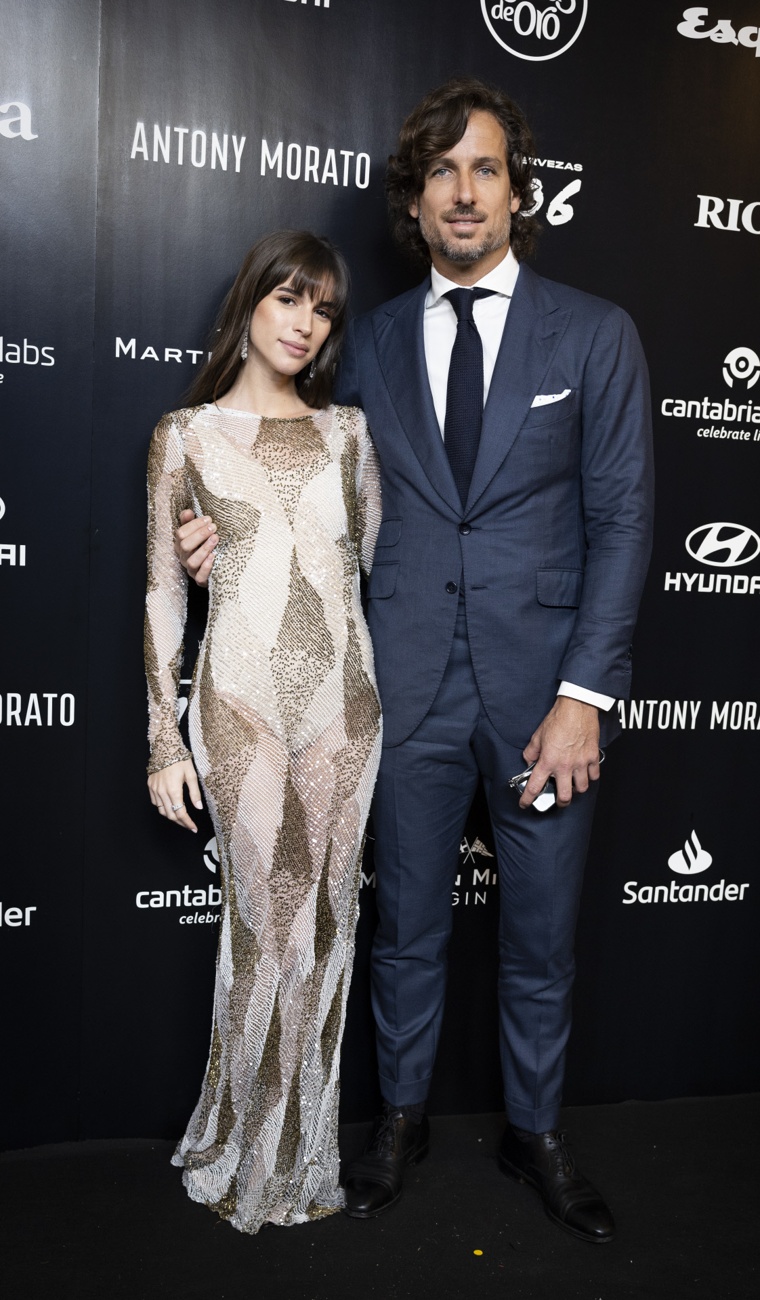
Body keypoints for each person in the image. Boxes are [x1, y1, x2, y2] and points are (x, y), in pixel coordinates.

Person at [176, 78, 653, 1244]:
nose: (463, 191)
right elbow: (298, 469)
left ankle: (535, 1132)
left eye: (484, 168)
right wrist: (217, 538)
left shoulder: (595, 334)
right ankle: (397, 1120)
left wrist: (587, 695)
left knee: (540, 935)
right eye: (441, 171)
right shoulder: (370, 341)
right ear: (415, 197)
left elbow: (627, 517)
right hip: (401, 692)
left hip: (546, 697)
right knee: (407, 929)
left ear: (516, 188)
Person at [145, 230, 382, 1233]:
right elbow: (163, 592)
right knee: (261, 931)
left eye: (323, 309)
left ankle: (307, 1156)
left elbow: (363, 568)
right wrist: (164, 738)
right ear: (251, 301)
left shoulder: (350, 434)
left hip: (347, 710)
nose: (304, 322)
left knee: (327, 930)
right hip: (238, 706)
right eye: (290, 298)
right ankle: (241, 1147)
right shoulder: (185, 436)